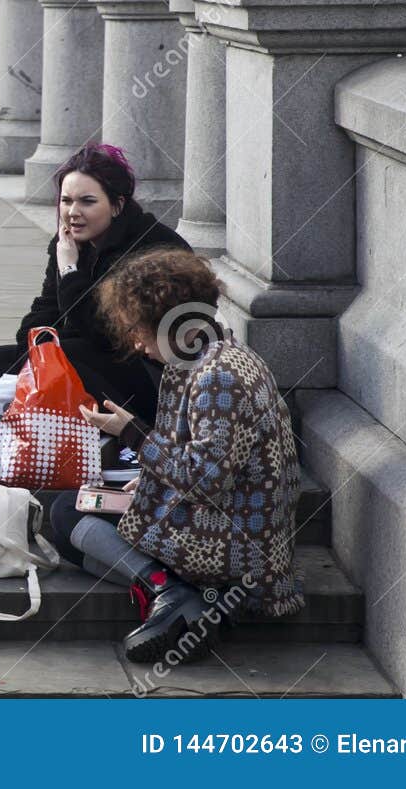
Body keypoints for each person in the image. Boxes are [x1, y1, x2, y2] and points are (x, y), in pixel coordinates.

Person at [45, 248, 305, 663]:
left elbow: (206, 481)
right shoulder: (214, 356)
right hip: (228, 523)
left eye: (141, 331)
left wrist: (132, 433)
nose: (136, 342)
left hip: (232, 542)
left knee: (65, 513)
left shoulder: (218, 376)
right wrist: (150, 479)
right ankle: (178, 593)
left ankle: (172, 591)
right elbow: (204, 460)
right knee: (69, 524)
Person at [0, 143, 189, 471]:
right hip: (89, 353)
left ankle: (118, 433)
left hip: (153, 374)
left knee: (67, 353)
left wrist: (70, 270)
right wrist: (37, 350)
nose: (73, 212)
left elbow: (104, 332)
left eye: (87, 201)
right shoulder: (69, 243)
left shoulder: (146, 247)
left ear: (116, 205)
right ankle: (75, 420)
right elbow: (46, 307)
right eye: (66, 200)